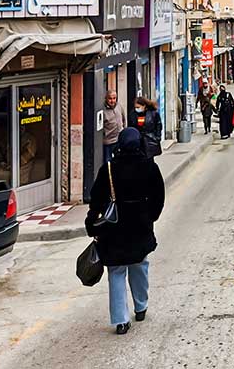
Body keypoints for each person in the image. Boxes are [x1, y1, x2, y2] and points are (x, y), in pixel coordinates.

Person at [85, 127, 165, 335]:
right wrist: (151, 216)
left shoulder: (109, 168)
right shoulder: (148, 166)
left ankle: (121, 320)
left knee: (116, 271)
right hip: (140, 225)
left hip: (115, 228)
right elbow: (159, 196)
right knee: (140, 266)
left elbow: (97, 199)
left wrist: (92, 222)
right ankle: (141, 306)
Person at [102, 91, 125, 165]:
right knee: (108, 163)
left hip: (119, 140)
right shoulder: (103, 111)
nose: (112, 101)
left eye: (114, 98)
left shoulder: (119, 106)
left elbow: (124, 119)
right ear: (106, 99)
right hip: (108, 142)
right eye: (110, 98)